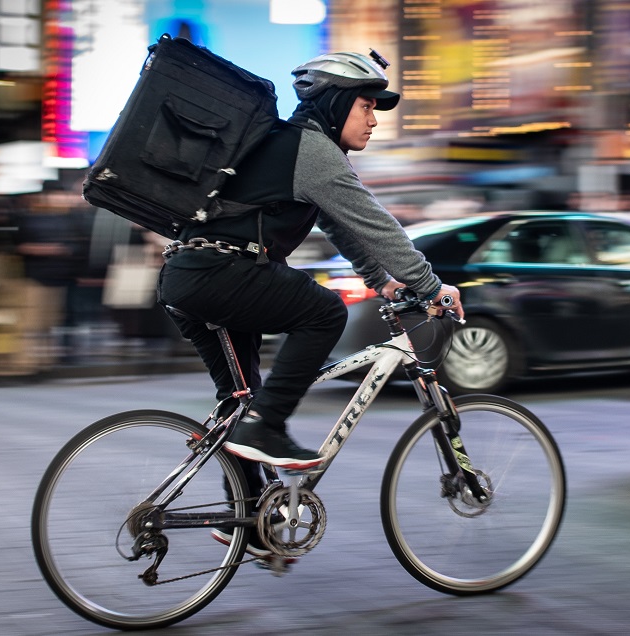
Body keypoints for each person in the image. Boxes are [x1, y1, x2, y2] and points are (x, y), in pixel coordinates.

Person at [157, 51, 464, 483]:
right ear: (336, 103)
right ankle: (266, 427)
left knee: (241, 403)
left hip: (188, 276)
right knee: (325, 312)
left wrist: (381, 281)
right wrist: (430, 286)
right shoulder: (313, 151)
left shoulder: (290, 145)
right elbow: (377, 226)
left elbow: (340, 226)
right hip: (222, 273)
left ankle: (247, 511)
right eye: (366, 106)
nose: (373, 121)